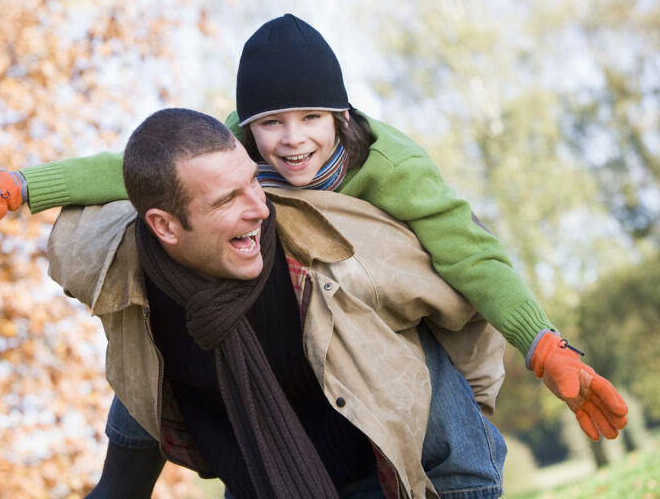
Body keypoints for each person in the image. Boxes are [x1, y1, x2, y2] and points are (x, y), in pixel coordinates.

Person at [45, 107, 509, 498]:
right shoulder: (145, 317)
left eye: (253, 181)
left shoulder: (338, 268)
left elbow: (463, 450)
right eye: (227, 199)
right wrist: (27, 184)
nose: (260, 207)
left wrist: (500, 381)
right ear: (165, 227)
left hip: (387, 482)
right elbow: (120, 486)